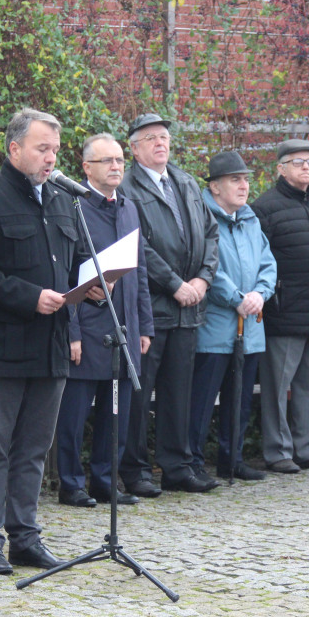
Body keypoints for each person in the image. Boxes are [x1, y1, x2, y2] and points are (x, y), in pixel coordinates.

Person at [0, 108, 102, 575]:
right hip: (1, 346)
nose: (49, 158)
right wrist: (28, 297)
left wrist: (96, 284)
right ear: (14, 149)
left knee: (35, 448)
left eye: (55, 150)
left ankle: (25, 536)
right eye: (42, 148)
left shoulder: (62, 199)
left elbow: (78, 258)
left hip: (51, 344)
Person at [118, 113, 220, 495]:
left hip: (188, 308)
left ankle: (177, 466)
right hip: (152, 307)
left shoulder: (185, 182)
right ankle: (136, 470)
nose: (161, 143)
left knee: (179, 392)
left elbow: (211, 233)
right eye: (150, 138)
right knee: (139, 392)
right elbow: (136, 245)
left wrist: (203, 279)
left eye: (164, 137)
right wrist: (175, 283)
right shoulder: (128, 186)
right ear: (134, 148)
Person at [55, 133, 153, 508]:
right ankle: (70, 482)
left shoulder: (128, 207)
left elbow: (139, 269)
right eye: (106, 161)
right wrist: (72, 332)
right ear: (86, 168)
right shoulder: (74, 207)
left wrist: (145, 325)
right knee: (75, 413)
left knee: (117, 413)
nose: (115, 167)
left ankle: (105, 480)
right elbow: (66, 273)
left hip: (123, 324)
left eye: (119, 161)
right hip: (87, 324)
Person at [251, 140, 309, 473]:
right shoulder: (266, 207)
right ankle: (278, 451)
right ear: (280, 168)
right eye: (298, 161)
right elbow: (259, 261)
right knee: (277, 388)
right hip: (284, 313)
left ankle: (308, 448)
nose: (306, 167)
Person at [187, 152, 275, 481]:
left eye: (246, 179)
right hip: (214, 329)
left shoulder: (250, 219)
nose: (243, 186)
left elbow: (268, 263)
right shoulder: (203, 218)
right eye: (235, 180)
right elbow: (208, 266)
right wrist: (237, 298)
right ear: (215, 187)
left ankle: (232, 459)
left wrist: (259, 294)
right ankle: (193, 462)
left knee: (239, 400)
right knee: (202, 401)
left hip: (250, 327)